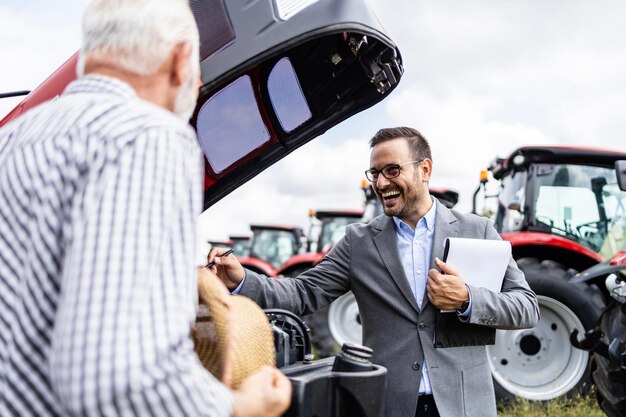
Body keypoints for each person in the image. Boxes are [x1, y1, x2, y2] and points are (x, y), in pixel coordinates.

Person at [0, 1, 291, 416]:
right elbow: (113, 377)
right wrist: (240, 406)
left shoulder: (13, 139)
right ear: (178, 61)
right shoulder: (146, 135)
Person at [208, 127, 540, 417]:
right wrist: (242, 280)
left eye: (392, 170)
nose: (381, 183)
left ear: (425, 170)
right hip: (389, 404)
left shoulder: (477, 230)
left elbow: (526, 307)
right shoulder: (358, 242)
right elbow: (302, 293)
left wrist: (467, 299)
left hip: (463, 405)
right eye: (375, 173)